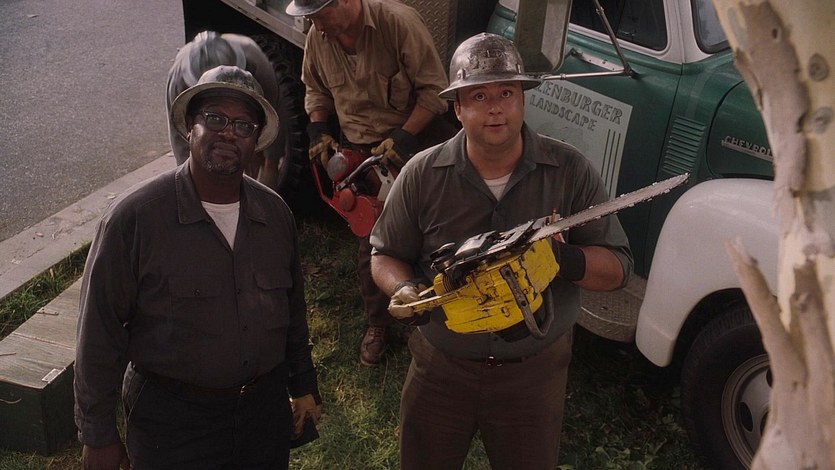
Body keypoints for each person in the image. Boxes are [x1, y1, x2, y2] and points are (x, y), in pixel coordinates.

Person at [370, 33, 634, 469]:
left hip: (533, 375)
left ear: (523, 99)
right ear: (457, 108)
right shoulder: (421, 174)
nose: (495, 108)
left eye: (506, 93)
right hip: (442, 367)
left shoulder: (569, 171)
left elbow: (619, 268)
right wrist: (403, 289)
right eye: (479, 96)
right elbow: (384, 254)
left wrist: (561, 260)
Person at [74, 65, 322, 469]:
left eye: (243, 126)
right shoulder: (133, 220)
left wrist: (304, 383)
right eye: (215, 119)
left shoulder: (276, 215)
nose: (229, 133)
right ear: (191, 127)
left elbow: (292, 312)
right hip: (172, 425)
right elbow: (98, 333)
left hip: (263, 416)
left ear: (256, 140)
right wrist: (97, 434)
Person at [285, 0, 455, 366]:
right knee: (374, 241)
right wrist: (318, 129)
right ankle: (380, 323)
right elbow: (315, 89)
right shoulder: (319, 36)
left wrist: (404, 138)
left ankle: (441, 314)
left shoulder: (398, 24)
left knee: (437, 232)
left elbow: (435, 92)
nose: (316, 26)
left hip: (419, 140)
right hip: (363, 151)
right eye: (310, 18)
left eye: (320, 15)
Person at [165, 31, 284, 190]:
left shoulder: (255, 60)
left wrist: (271, 162)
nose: (227, 134)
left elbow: (274, 112)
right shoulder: (178, 78)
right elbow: (178, 138)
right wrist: (189, 183)